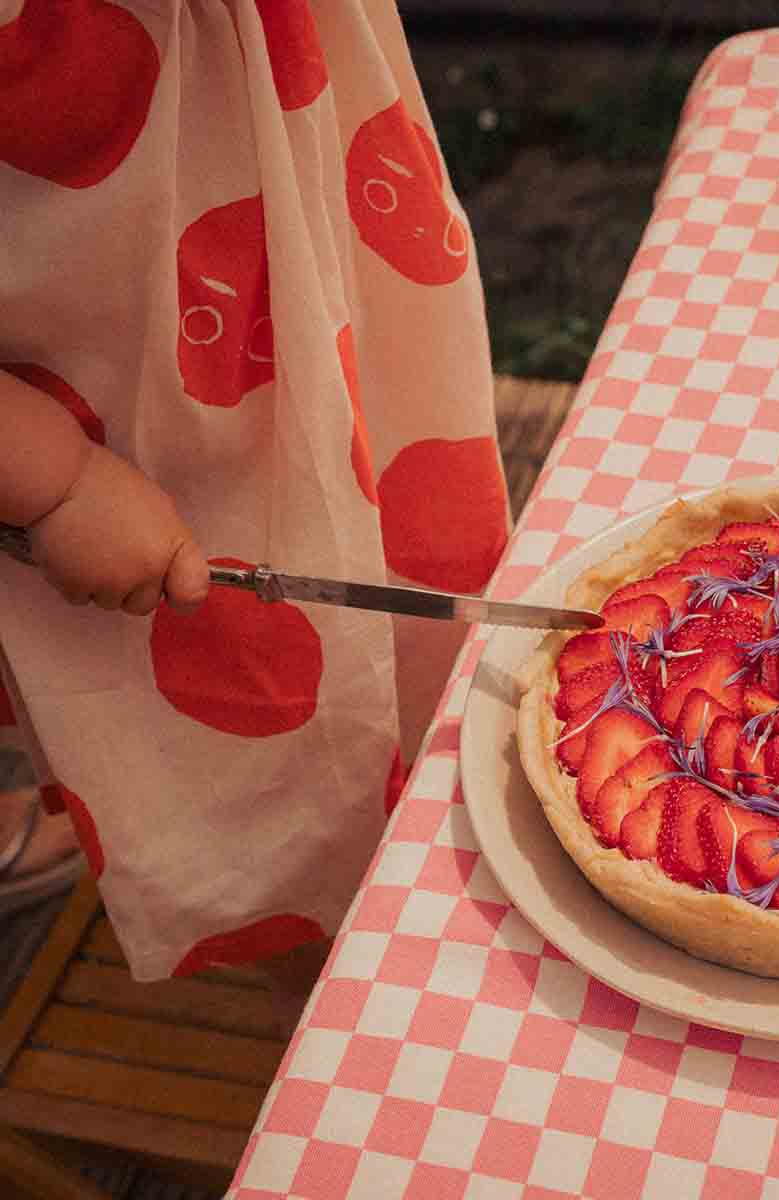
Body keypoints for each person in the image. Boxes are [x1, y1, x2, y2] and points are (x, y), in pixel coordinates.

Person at [0, 0, 511, 982]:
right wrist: (51, 478)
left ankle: (376, 829)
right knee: (214, 699)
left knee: (393, 556)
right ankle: (301, 922)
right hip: (114, 371)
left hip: (313, 189)